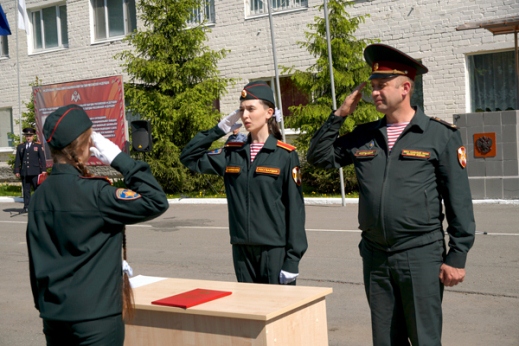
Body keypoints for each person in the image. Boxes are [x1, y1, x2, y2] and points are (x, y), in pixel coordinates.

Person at [307, 44, 476, 345]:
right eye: (372, 86)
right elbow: (319, 157)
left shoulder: (440, 135)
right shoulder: (365, 135)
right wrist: (340, 115)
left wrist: (457, 255)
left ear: (405, 87)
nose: (374, 93)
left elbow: (458, 200)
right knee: (385, 340)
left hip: (421, 254)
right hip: (375, 256)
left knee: (424, 338)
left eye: (382, 86)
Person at [26, 104, 169, 346]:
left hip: (54, 315)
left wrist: (44, 305)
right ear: (84, 146)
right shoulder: (96, 193)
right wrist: (120, 159)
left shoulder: (39, 195)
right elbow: (156, 200)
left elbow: (35, 256)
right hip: (96, 318)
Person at [181, 81, 308, 285]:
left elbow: (295, 209)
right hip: (241, 249)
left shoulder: (284, 155)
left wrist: (292, 260)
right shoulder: (233, 153)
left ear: (268, 113)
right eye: (241, 110)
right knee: (250, 313)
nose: (245, 115)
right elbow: (188, 157)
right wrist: (219, 129)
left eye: (251, 109)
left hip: (274, 250)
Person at [14, 127, 45, 212]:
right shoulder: (21, 147)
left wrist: (43, 170)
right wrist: (17, 170)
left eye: (30, 135)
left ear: (33, 136)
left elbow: (42, 159)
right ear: (25, 136)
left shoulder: (37, 146)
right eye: (27, 135)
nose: (28, 137)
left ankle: (38, 206)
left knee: (37, 190)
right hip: (25, 172)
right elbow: (17, 159)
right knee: (26, 190)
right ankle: (27, 206)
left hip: (35, 172)